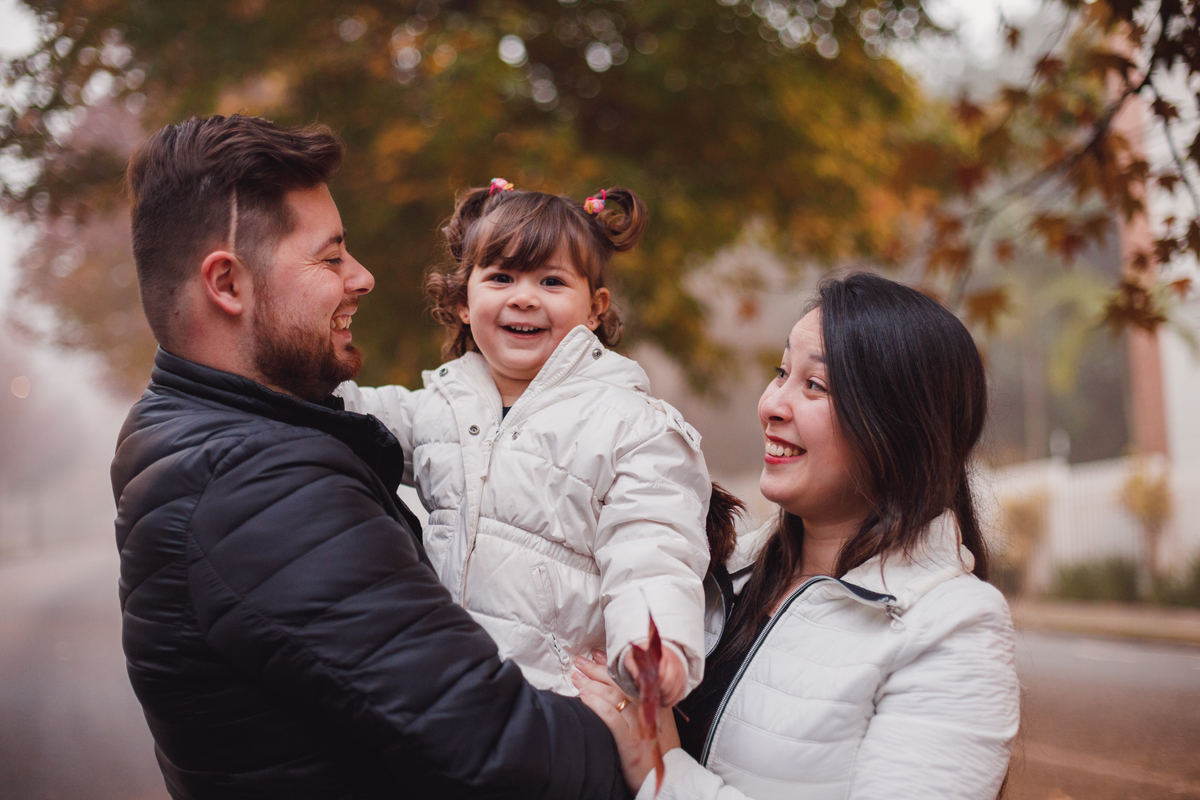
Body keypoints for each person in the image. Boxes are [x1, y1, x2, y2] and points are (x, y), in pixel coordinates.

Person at [110, 114, 631, 800]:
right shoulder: (259, 490)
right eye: (330, 258)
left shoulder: (193, 428)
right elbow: (505, 750)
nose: (364, 277)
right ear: (228, 285)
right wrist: (641, 737)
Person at [574, 272, 1020, 800]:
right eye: (781, 372)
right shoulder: (710, 570)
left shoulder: (951, 628)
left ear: (897, 427)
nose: (772, 405)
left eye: (815, 385)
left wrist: (662, 769)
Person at [337, 181, 717, 704]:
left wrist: (653, 643)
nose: (523, 296)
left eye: (551, 280)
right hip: (443, 694)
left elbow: (652, 546)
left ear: (594, 309)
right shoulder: (437, 406)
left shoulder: (629, 425)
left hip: (554, 703)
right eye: (501, 277)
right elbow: (343, 412)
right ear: (463, 301)